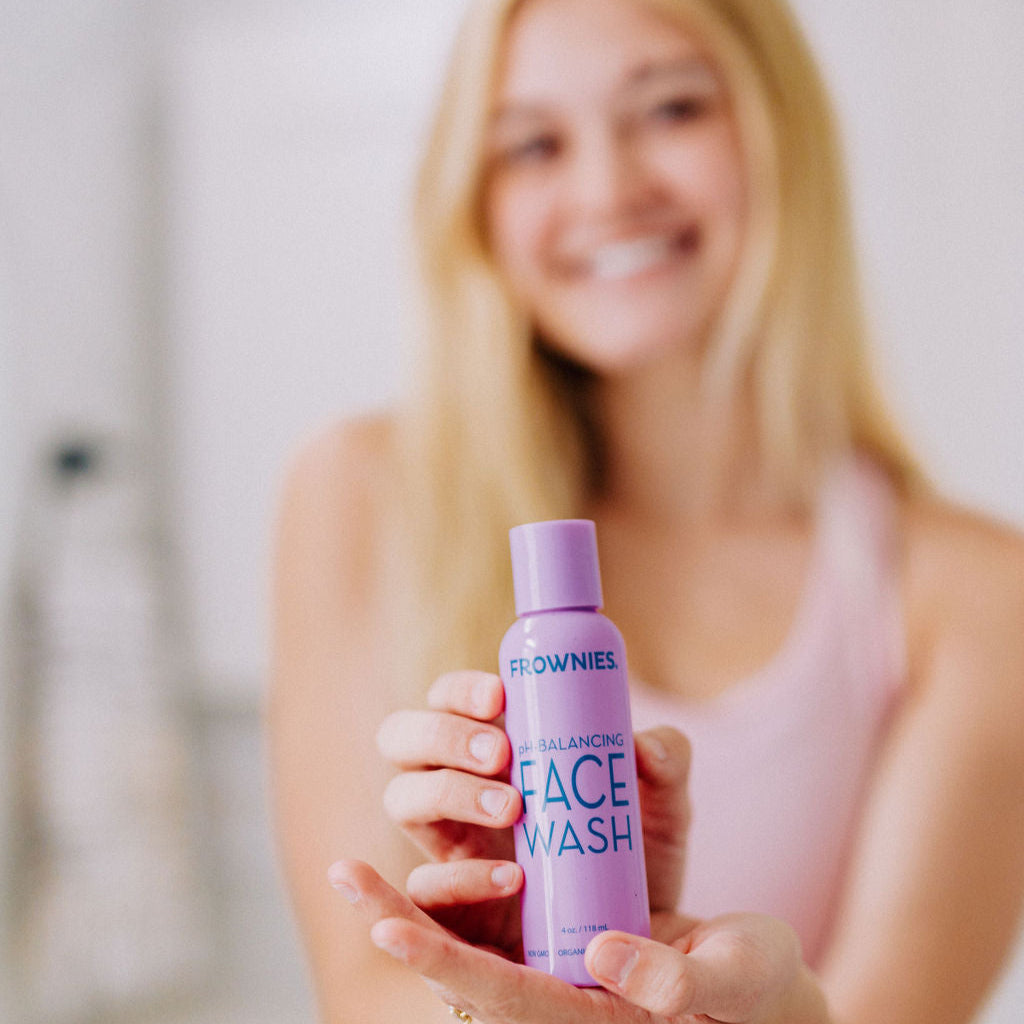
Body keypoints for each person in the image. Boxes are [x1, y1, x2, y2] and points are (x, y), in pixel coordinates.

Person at [267, 0, 1024, 1020]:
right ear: (475, 201)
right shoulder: (359, 492)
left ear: (779, 132)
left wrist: (784, 1014)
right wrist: (486, 989)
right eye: (532, 143)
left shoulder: (973, 590)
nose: (607, 189)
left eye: (669, 110)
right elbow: (360, 990)